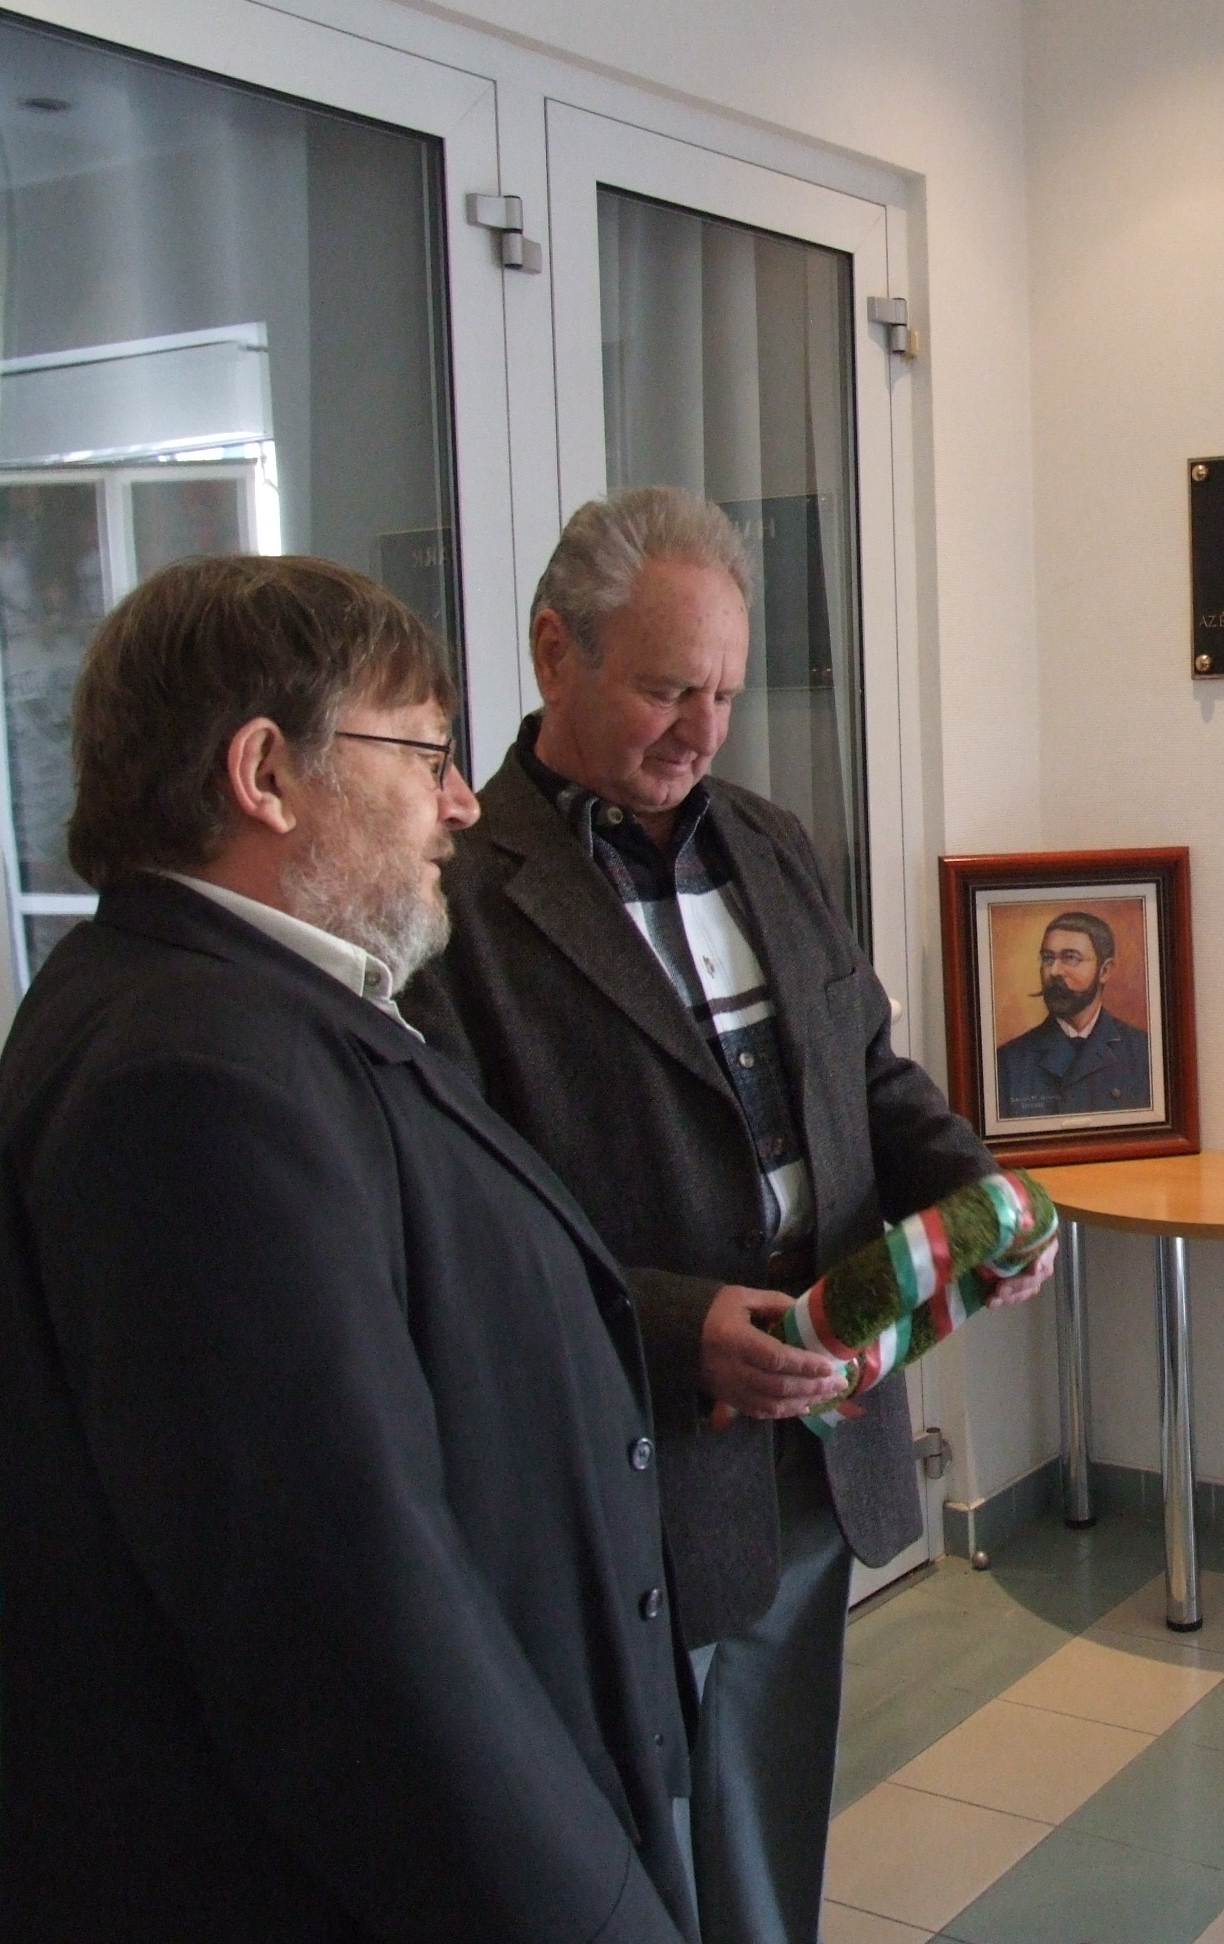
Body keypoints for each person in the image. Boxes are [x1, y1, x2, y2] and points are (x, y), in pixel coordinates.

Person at [0, 556, 694, 1940]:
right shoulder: (189, 1077)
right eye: (425, 751)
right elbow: (348, 1625)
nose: (463, 800)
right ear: (267, 774)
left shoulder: (240, 1003)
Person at [404, 486, 1052, 1944]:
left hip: (814, 1438)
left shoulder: (768, 841)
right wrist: (673, 1324)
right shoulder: (457, 898)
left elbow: (864, 1072)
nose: (701, 731)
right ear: (553, 650)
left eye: (725, 693)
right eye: (664, 690)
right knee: (625, 1855)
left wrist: (974, 1190)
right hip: (617, 1458)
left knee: (763, 1826)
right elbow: (463, 1215)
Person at [994, 911, 1155, 1119]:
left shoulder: (1144, 1053)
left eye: (1070, 958)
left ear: (1104, 971)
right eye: (1048, 958)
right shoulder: (1008, 1062)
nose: (1054, 971)